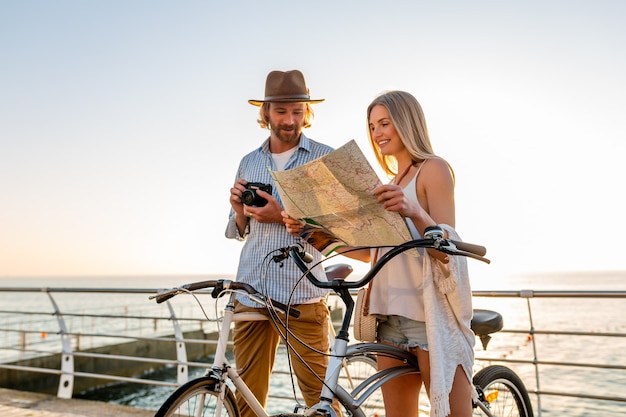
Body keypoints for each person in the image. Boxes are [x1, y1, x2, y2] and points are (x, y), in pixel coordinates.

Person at [283, 90, 475, 417]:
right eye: (372, 126)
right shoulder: (387, 183)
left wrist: (413, 210)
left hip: (429, 319)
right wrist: (313, 232)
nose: (377, 133)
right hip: (387, 321)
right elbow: (377, 254)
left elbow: (449, 251)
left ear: (407, 123)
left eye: (384, 123)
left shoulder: (433, 169)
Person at [225, 69, 340, 417]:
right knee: (247, 399)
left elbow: (337, 234)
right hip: (251, 292)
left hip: (301, 295)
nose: (290, 120)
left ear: (306, 112)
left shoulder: (325, 159)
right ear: (266, 113)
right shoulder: (249, 160)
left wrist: (283, 217)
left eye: (297, 111)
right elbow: (240, 230)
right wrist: (238, 211)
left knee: (320, 401)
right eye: (281, 112)